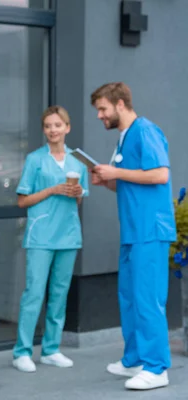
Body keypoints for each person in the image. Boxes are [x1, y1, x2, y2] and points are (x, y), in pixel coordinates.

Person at [91, 82, 175, 390]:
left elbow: (160, 174)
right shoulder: (124, 138)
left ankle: (157, 368)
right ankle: (136, 359)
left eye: (103, 109)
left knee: (147, 298)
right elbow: (127, 182)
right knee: (128, 296)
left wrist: (116, 174)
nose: (100, 115)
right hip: (132, 230)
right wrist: (105, 180)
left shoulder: (146, 131)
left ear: (120, 104)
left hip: (150, 230)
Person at [11, 105, 88, 373]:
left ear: (67, 128)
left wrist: (76, 192)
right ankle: (21, 352)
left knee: (59, 294)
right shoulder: (35, 160)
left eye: (58, 125)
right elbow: (22, 201)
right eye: (48, 126)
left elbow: (77, 201)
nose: (53, 130)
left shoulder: (78, 163)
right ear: (44, 130)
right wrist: (53, 189)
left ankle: (51, 349)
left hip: (68, 236)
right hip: (41, 236)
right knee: (33, 293)